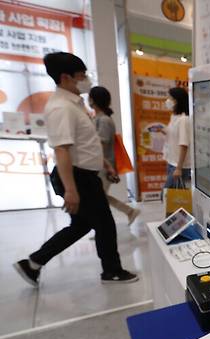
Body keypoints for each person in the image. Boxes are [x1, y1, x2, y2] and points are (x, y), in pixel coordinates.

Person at [13, 52, 138, 286]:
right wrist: (71, 190)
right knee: (104, 224)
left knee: (82, 225)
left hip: (86, 174)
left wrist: (105, 163)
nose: (86, 80)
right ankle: (111, 271)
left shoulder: (76, 103)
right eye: (81, 75)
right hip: (77, 177)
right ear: (65, 77)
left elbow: (86, 143)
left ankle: (32, 263)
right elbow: (62, 151)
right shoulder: (61, 108)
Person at [88, 86, 140, 225]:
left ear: (93, 100)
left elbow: (101, 145)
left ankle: (102, 227)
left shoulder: (104, 120)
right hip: (100, 164)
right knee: (99, 197)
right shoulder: (97, 118)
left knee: (98, 198)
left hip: (104, 165)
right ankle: (129, 211)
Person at [162, 87, 191, 189]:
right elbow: (175, 134)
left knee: (170, 196)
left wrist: (179, 168)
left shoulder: (184, 120)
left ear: (178, 101)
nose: (167, 101)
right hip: (172, 162)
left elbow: (184, 144)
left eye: (170, 98)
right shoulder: (175, 117)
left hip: (179, 166)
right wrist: (164, 130)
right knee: (173, 198)